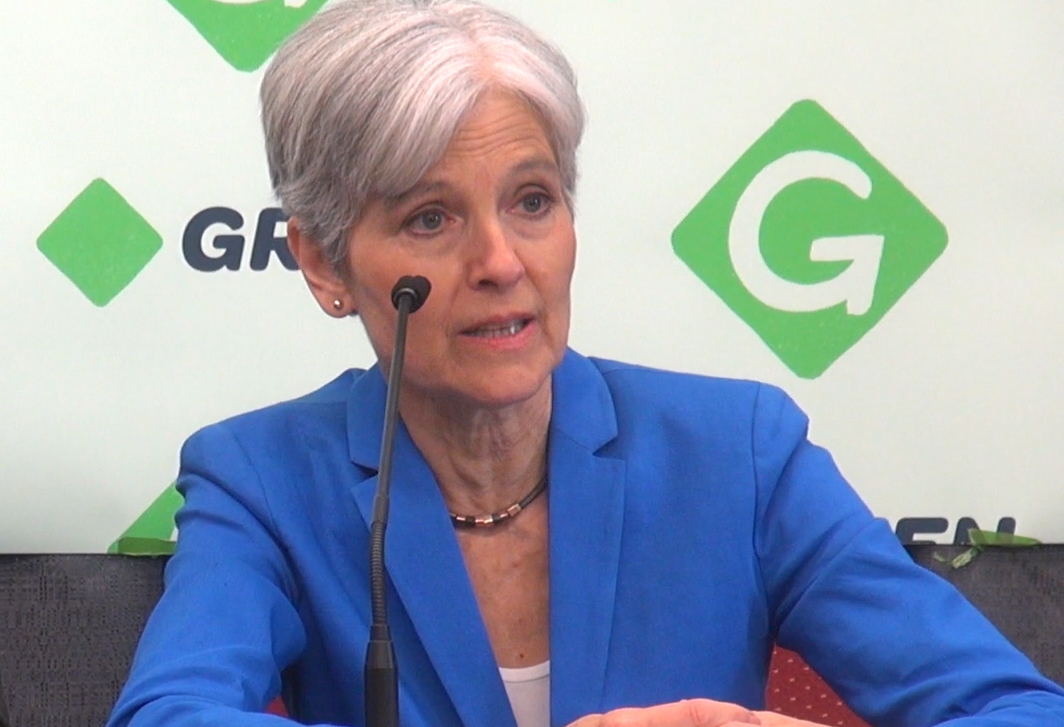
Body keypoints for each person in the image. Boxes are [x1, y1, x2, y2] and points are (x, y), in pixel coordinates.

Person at [107, 2, 1064, 726]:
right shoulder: (261, 476)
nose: (500, 263)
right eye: (430, 218)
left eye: (532, 199)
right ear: (323, 261)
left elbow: (1012, 707)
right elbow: (168, 715)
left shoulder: (742, 453)